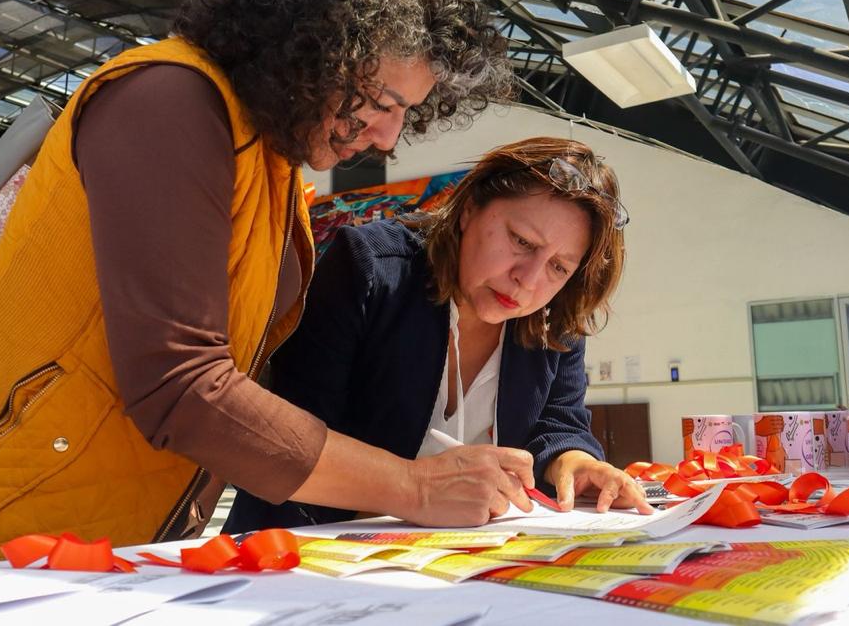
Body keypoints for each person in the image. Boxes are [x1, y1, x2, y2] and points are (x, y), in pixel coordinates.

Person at [0, 0, 521, 564]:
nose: (388, 136)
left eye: (406, 113)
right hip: (4, 499)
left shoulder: (269, 155)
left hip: (112, 512)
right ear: (312, 42)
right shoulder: (169, 102)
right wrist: (411, 486)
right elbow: (182, 385)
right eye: (382, 102)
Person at [225, 138, 653, 533]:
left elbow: (558, 422)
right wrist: (416, 488)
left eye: (559, 267)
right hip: (295, 546)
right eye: (522, 241)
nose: (528, 280)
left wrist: (575, 462)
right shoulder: (368, 267)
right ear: (469, 208)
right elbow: (287, 436)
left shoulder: (554, 317)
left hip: (452, 562)